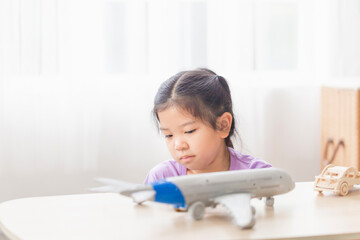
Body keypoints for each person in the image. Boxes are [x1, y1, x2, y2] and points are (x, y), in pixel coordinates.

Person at [144, 68, 271, 184]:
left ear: (223, 125)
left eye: (189, 131)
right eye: (169, 135)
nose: (178, 145)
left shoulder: (260, 177)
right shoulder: (160, 179)